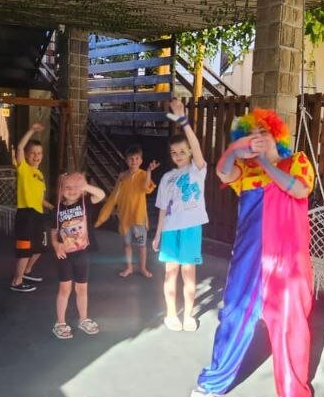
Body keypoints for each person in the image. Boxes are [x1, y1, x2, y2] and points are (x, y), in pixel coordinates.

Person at [188, 109, 317, 397]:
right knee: (234, 312)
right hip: (249, 256)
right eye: (251, 133)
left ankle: (293, 395)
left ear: (277, 136)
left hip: (287, 259)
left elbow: (299, 189)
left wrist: (265, 163)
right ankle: (215, 379)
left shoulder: (297, 161)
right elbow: (222, 173)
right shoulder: (245, 170)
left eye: (264, 132)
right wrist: (234, 150)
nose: (257, 137)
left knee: (289, 322)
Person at [152, 99, 208, 332]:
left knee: (188, 273)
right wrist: (157, 234)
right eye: (174, 153)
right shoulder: (167, 178)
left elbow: (195, 145)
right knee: (170, 273)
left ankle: (189, 315)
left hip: (191, 229)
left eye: (182, 151)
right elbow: (162, 208)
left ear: (190, 152)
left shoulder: (198, 170)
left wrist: (184, 121)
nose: (178, 155)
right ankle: (171, 313)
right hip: (169, 229)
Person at [50, 172, 107, 339]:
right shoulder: (57, 209)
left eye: (76, 187)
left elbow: (101, 195)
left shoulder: (85, 203)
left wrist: (86, 186)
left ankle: (83, 319)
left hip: (82, 253)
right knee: (64, 289)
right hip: (65, 255)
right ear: (61, 190)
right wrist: (56, 245)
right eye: (67, 187)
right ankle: (60, 322)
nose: (72, 190)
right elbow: (53, 230)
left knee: (82, 289)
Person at [96, 146, 158, 277]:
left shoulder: (144, 174)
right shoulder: (122, 176)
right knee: (127, 244)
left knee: (141, 245)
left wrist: (149, 171)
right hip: (125, 217)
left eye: (137, 158)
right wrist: (104, 214)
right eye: (131, 159)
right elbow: (115, 195)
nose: (134, 161)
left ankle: (143, 268)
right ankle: (129, 267)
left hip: (139, 217)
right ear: (126, 160)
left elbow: (146, 188)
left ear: (141, 160)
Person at [11, 123, 51, 292]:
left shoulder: (40, 175)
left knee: (40, 248)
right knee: (25, 251)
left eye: (39, 153)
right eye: (33, 153)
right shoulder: (24, 169)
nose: (36, 156)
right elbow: (20, 147)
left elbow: (40, 200)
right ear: (26, 156)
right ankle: (17, 281)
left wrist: (54, 207)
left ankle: (26, 271)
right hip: (25, 215)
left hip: (38, 215)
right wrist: (31, 130)